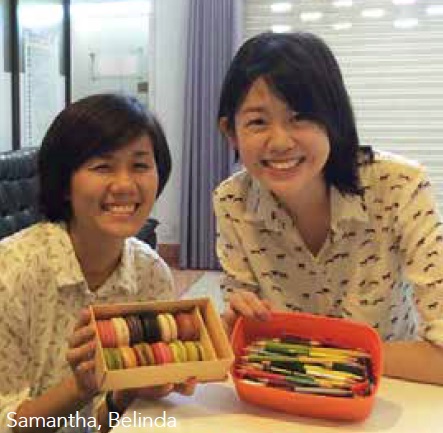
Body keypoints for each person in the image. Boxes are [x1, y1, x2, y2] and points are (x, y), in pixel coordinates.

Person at [214, 32, 443, 385]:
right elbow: (244, 336)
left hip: (389, 391)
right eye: (258, 122)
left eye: (300, 117)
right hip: (285, 393)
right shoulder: (232, 201)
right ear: (231, 132)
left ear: (334, 120)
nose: (280, 142)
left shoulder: (399, 186)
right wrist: (232, 323)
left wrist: (334, 357)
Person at [0, 94, 194, 433]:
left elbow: (99, 424)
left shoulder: (151, 273)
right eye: (103, 167)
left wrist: (128, 391)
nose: (125, 185)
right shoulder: (11, 272)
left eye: (140, 166)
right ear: (64, 184)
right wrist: (79, 388)